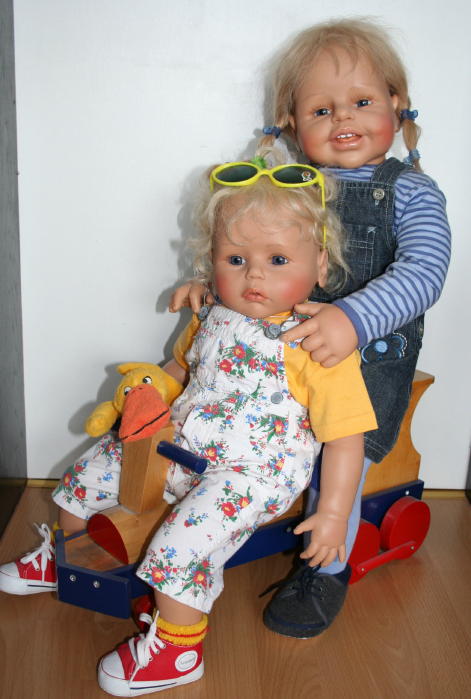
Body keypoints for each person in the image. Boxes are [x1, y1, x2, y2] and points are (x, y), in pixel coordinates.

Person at [170, 17, 451, 641]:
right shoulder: (290, 187)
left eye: (362, 102)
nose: (342, 118)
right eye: (322, 109)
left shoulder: (412, 192)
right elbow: (245, 248)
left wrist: (353, 318)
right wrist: (209, 283)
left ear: (396, 105)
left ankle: (327, 564)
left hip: (368, 355)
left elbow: (426, 270)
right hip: (278, 355)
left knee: (339, 449)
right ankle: (210, 499)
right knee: (215, 397)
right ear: (292, 123)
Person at [95, 159, 377, 695]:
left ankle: (178, 651)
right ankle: (59, 551)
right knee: (103, 460)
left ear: (319, 264)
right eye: (236, 259)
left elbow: (345, 435)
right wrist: (146, 402)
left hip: (251, 475)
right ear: (212, 259)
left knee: (179, 546)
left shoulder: (318, 341)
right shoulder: (212, 313)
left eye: (277, 259)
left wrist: (334, 513)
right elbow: (183, 369)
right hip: (185, 449)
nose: (254, 276)